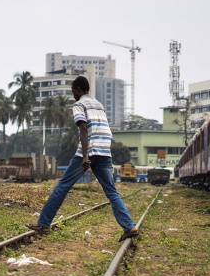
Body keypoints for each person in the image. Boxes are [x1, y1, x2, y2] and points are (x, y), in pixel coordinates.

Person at [28, 76, 138, 241]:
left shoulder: (79, 104)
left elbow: (83, 129)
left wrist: (85, 156)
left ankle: (43, 224)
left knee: (63, 186)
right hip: (105, 150)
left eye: (73, 91)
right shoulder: (98, 104)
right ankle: (129, 227)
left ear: (78, 90)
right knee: (111, 191)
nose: (73, 95)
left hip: (90, 150)